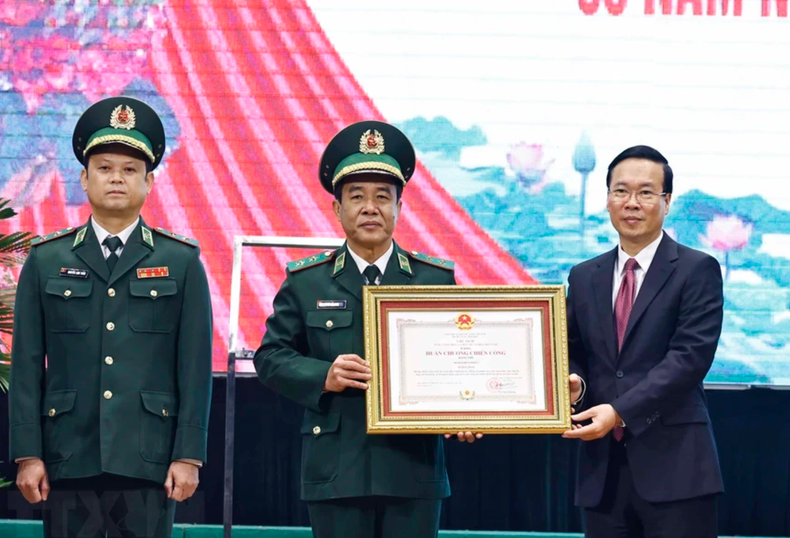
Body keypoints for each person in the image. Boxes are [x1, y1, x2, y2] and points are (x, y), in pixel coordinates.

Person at [254, 121, 480, 538]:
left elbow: (460, 361)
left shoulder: (433, 280)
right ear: (337, 209)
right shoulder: (307, 281)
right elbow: (270, 357)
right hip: (336, 468)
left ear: (399, 208)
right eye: (357, 197)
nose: (370, 207)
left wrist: (465, 410)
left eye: (383, 197)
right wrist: (324, 374)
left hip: (413, 469)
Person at [9, 96, 213, 538]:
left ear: (149, 181)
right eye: (104, 167)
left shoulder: (180, 261)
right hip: (66, 457)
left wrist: (188, 455)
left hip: (149, 459)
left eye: (129, 169)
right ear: (83, 178)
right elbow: (25, 366)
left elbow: (194, 369)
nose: (116, 178)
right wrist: (27, 453)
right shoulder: (47, 259)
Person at [562, 145, 724, 537]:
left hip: (677, 472)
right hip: (602, 475)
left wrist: (617, 411)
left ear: (666, 201)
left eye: (646, 192)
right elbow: (570, 352)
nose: (631, 203)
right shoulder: (584, 276)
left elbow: (688, 360)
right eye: (621, 191)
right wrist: (575, 384)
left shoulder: (697, 269)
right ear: (607, 199)